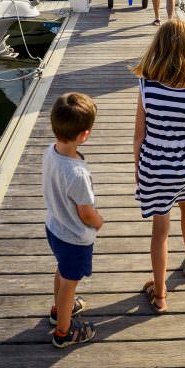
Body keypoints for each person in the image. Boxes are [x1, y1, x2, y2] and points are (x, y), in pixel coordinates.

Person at [132, 19, 185, 314]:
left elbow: (139, 136)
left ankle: (161, 293)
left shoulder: (146, 89)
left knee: (160, 230)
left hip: (153, 168)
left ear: (158, 49)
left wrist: (138, 169)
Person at [42, 92, 104, 347]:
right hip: (74, 237)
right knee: (70, 283)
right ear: (84, 135)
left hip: (54, 227)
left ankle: (59, 311)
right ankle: (64, 332)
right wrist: (98, 221)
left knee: (63, 271)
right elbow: (86, 212)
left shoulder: (50, 151)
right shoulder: (77, 174)